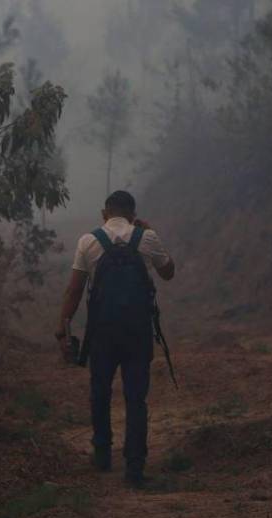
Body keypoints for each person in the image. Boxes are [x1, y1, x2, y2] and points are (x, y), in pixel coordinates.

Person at [56, 190, 175, 487]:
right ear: (133, 214)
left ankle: (102, 454)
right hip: (137, 332)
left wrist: (63, 327)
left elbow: (74, 290)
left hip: (103, 332)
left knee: (100, 390)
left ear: (104, 214)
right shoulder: (146, 238)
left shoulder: (89, 240)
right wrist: (150, 232)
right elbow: (168, 273)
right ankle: (135, 466)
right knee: (136, 398)